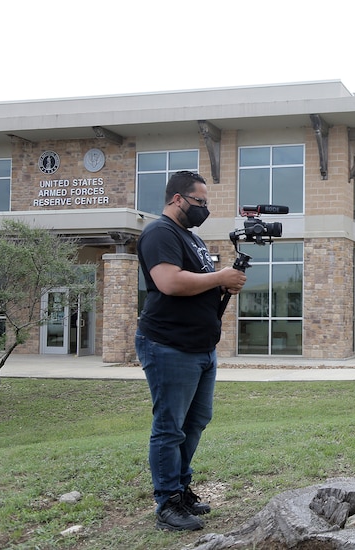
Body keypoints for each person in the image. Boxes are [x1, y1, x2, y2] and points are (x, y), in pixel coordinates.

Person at [136, 170, 247, 531]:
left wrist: (222, 285)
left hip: (200, 347)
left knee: (195, 422)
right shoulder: (159, 233)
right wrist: (220, 277)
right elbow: (168, 282)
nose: (205, 208)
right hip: (169, 345)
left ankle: (181, 488)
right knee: (170, 427)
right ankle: (167, 501)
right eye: (200, 202)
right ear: (178, 199)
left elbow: (198, 285)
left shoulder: (190, 238)